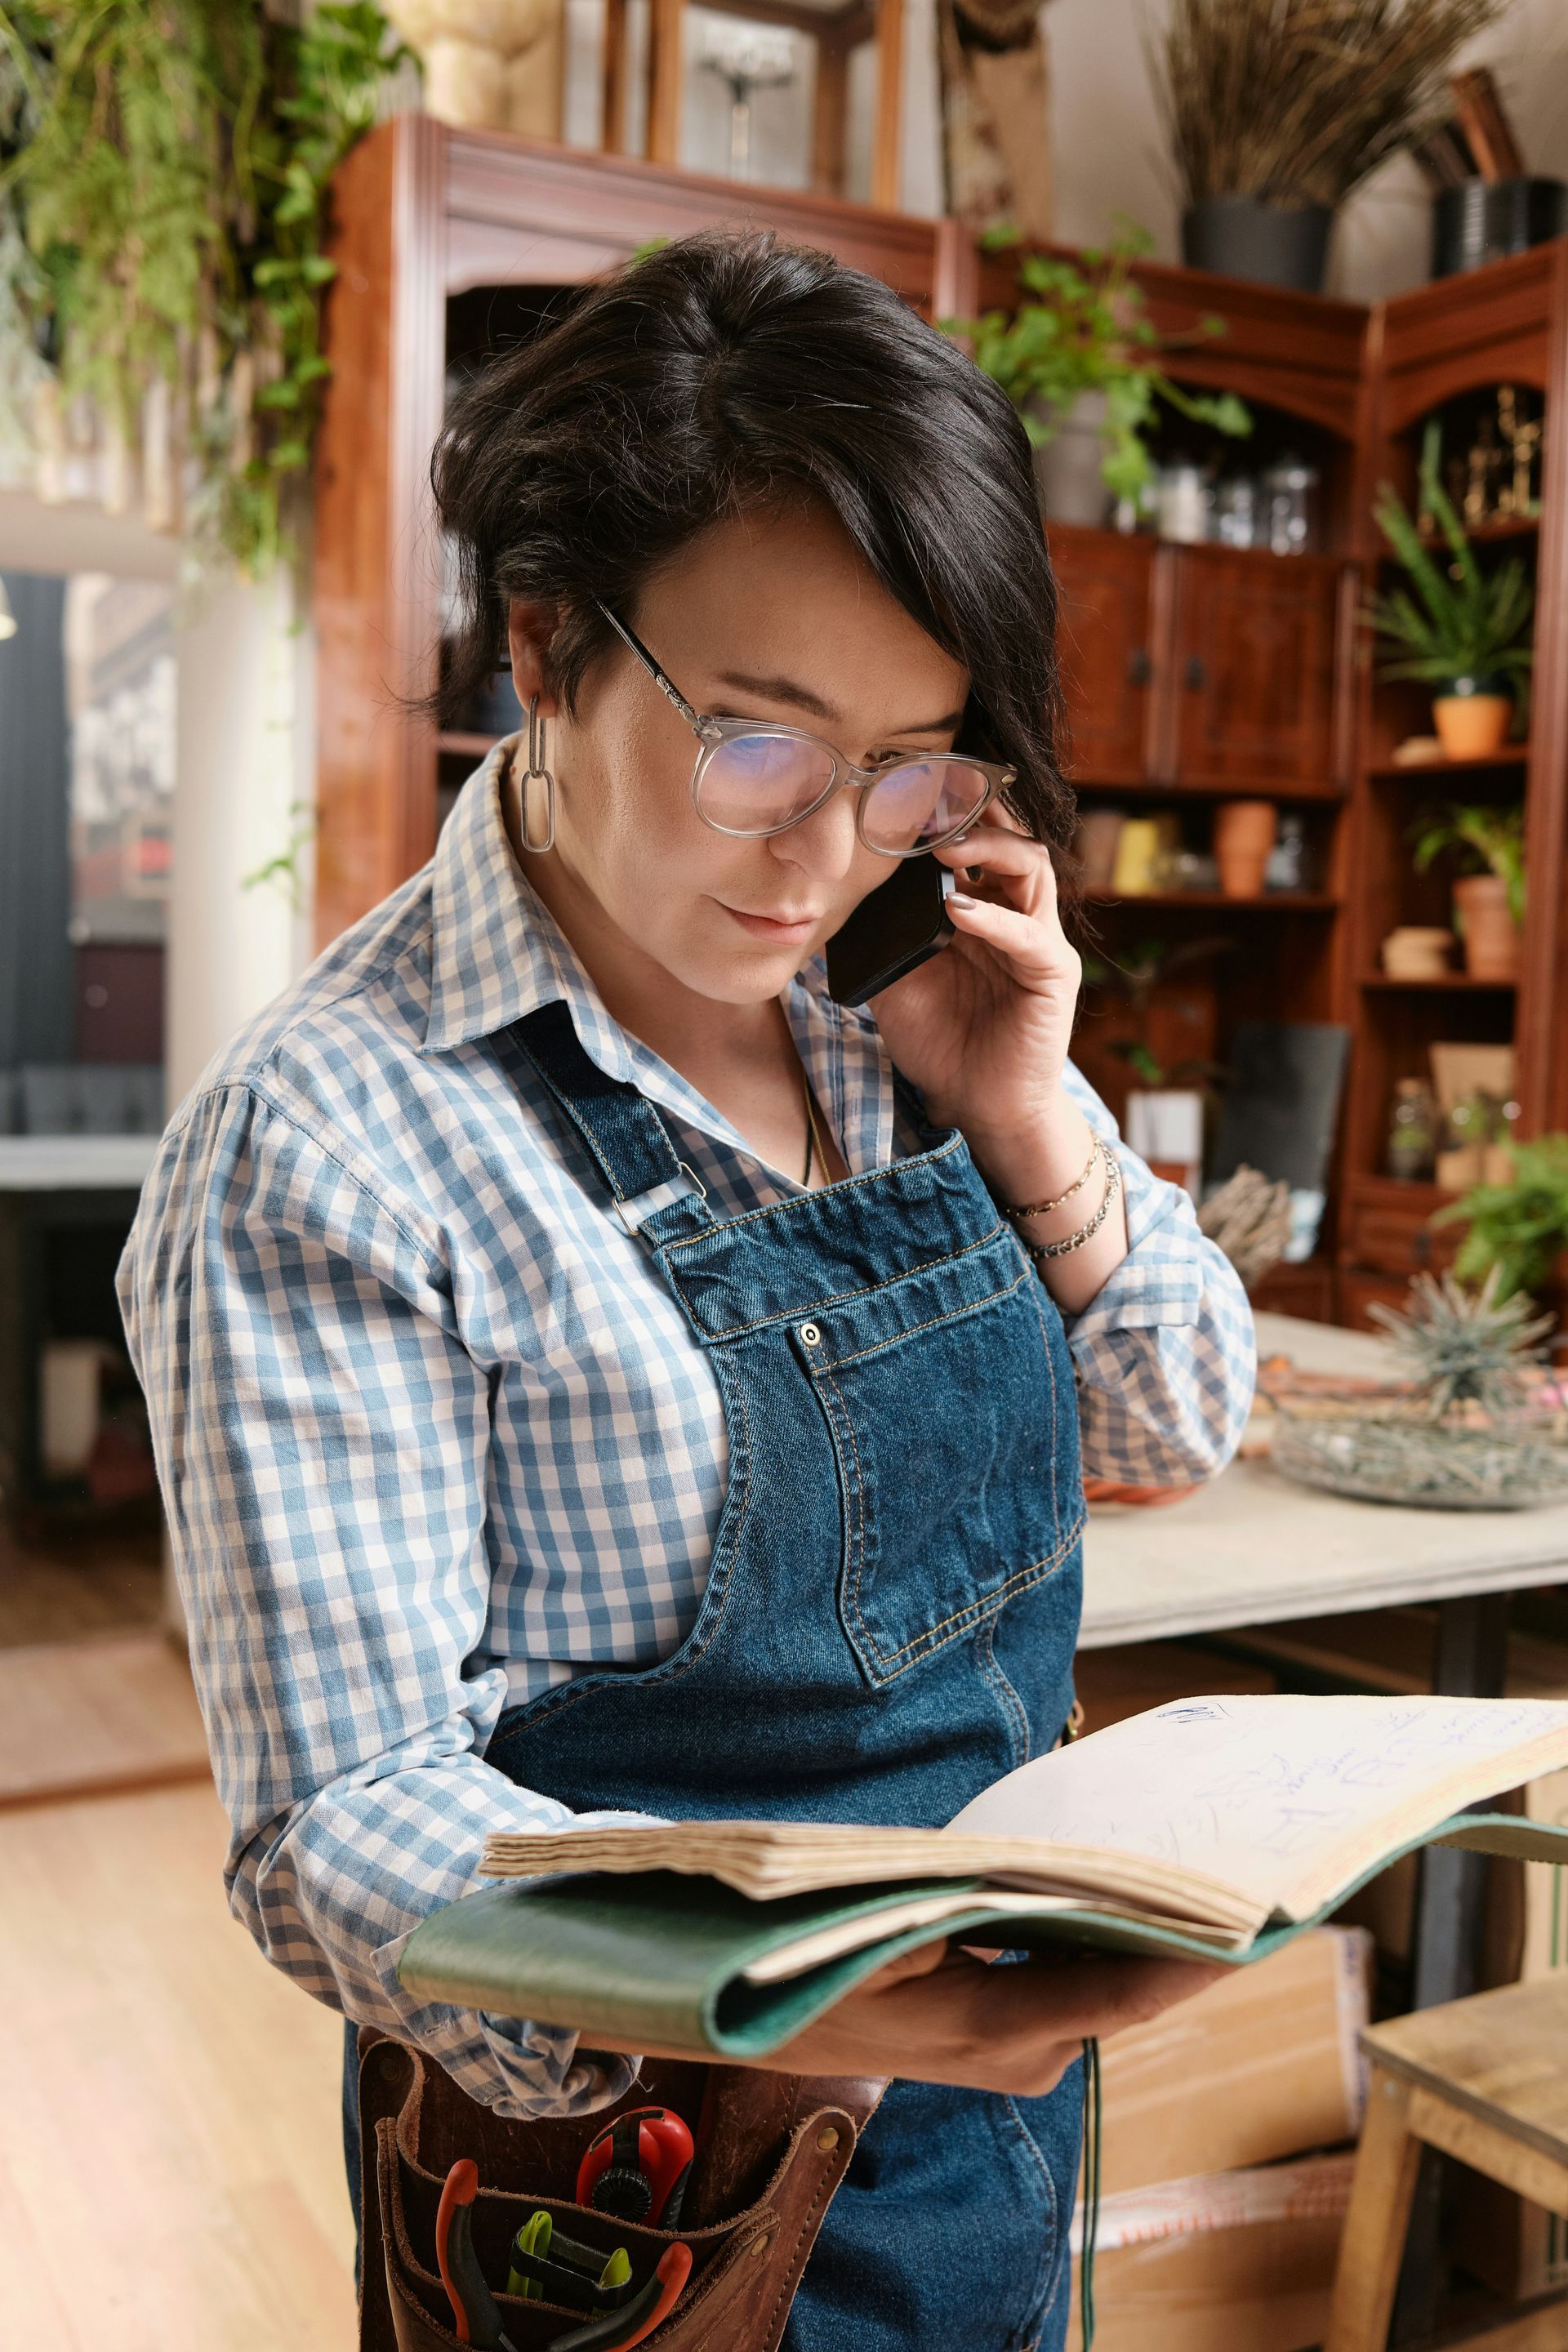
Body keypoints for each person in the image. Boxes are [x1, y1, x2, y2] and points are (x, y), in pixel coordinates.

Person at [120, 229, 1256, 2350]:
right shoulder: (339, 1140)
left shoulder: (902, 1016)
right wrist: (814, 2006)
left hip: (993, 2135)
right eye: (758, 739)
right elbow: (338, 1827)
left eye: (913, 762)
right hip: (621, 2206)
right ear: (544, 647)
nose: (830, 852)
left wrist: (1025, 1107)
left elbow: (1175, 1423)